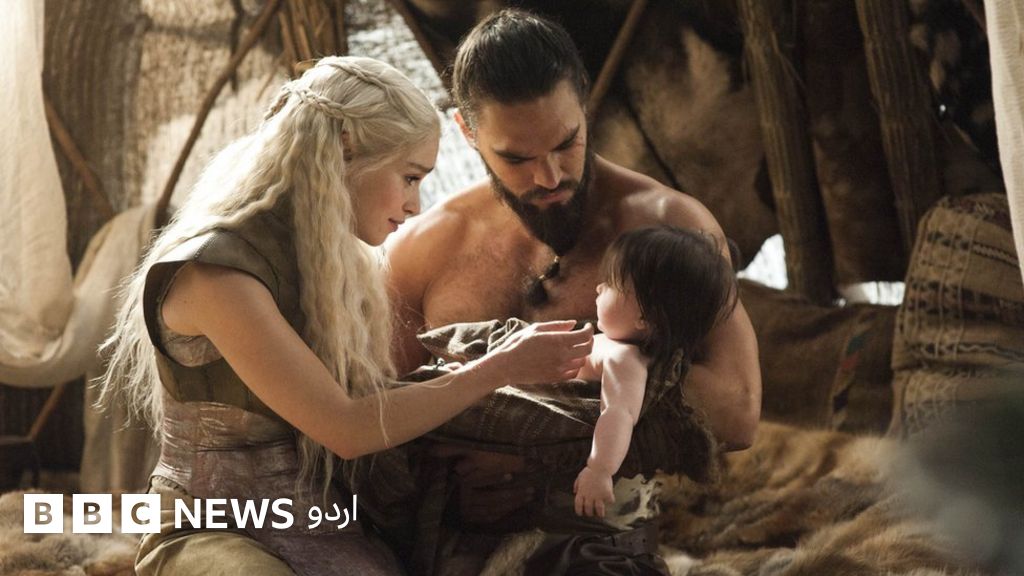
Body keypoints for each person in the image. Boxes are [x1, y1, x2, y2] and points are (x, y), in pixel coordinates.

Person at [98, 56, 593, 576]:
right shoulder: (214, 271)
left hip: (323, 521)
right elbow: (347, 427)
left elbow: (378, 408)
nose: (415, 204)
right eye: (409, 177)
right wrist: (497, 369)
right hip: (211, 527)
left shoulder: (331, 265)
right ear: (343, 151)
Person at [385, 8, 762, 526]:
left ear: (583, 104)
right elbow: (376, 412)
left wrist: (541, 456)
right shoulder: (424, 248)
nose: (549, 176)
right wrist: (444, 482)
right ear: (467, 132)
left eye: (566, 143)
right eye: (517, 158)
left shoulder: (670, 227)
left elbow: (738, 413)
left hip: (607, 535)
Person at [573, 226, 738, 519]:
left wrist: (599, 469)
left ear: (644, 317)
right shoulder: (613, 344)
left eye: (610, 284)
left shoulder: (626, 360)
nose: (598, 288)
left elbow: (619, 413)